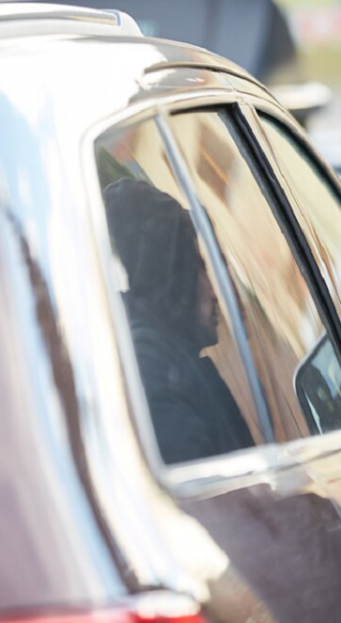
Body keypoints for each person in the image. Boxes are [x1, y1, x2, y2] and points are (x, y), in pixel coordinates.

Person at [103, 178, 254, 464]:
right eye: (200, 269)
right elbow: (211, 502)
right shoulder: (152, 367)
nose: (214, 293)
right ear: (172, 274)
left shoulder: (172, 358)